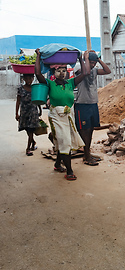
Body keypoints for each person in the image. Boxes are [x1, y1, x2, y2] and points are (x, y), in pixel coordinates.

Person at [35, 49, 90, 181]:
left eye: (64, 71)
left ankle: (57, 164)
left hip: (69, 116)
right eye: (58, 70)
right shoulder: (50, 84)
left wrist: (81, 58)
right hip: (56, 117)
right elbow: (37, 73)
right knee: (65, 141)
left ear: (67, 73)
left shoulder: (71, 83)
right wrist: (38, 56)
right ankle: (69, 171)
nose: (61, 73)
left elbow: (85, 72)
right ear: (54, 73)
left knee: (65, 140)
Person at [73, 51, 111, 165]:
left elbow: (107, 71)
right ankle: (86, 155)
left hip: (92, 103)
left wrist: (98, 59)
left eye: (95, 63)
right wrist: (85, 59)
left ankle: (87, 154)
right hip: (82, 103)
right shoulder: (79, 67)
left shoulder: (94, 69)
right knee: (84, 131)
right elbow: (86, 71)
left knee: (90, 130)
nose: (94, 65)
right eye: (92, 62)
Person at [15, 73, 42, 156]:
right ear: (23, 79)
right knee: (26, 128)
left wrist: (40, 110)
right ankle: (33, 142)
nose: (29, 80)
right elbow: (18, 101)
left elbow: (37, 100)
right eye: (27, 78)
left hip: (33, 112)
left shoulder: (35, 89)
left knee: (31, 130)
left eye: (31, 78)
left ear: (33, 78)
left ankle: (28, 149)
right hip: (24, 112)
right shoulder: (20, 89)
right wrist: (16, 113)